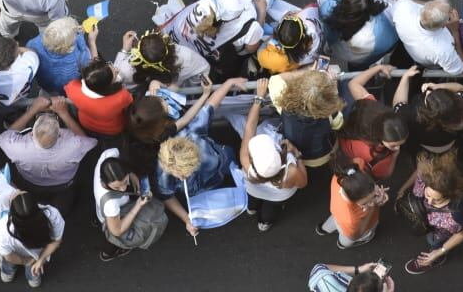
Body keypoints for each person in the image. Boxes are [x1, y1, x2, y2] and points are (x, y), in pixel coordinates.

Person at [153, 79, 246, 238]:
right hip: (203, 192)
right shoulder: (162, 174)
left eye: (187, 171)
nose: (183, 177)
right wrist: (186, 219)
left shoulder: (192, 133)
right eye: (180, 174)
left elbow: (210, 105)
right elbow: (167, 196)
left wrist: (229, 83)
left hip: (224, 159)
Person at [0, 95, 97, 215]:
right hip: (64, 186)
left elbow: (4, 137)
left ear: (31, 133)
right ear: (60, 134)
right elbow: (90, 142)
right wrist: (64, 113)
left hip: (29, 182)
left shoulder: (18, 147)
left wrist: (32, 110)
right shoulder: (74, 146)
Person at [240, 78, 308, 231]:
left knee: (253, 199)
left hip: (254, 188)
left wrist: (259, 98)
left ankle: (251, 209)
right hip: (279, 196)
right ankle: (264, 223)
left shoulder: (246, 163)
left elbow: (249, 128)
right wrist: (296, 154)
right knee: (271, 209)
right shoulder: (290, 172)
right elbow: (303, 183)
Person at [396, 151, 463, 274]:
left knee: (433, 242)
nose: (429, 202)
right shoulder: (426, 179)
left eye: (437, 200)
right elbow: (418, 172)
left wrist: (440, 251)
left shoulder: (456, 213)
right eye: (427, 194)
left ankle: (436, 259)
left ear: (449, 195)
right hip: (426, 220)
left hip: (441, 232)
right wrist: (402, 190)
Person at [93, 149, 169, 261]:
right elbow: (117, 231)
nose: (123, 188)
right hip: (113, 216)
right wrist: (138, 205)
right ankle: (111, 251)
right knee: (116, 236)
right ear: (104, 183)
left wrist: (132, 176)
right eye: (117, 187)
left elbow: (117, 152)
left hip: (103, 210)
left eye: (125, 182)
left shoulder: (108, 155)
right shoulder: (111, 204)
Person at [336, 64, 409, 180]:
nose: (397, 147)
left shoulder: (370, 110)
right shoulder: (380, 156)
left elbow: (353, 84)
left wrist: (378, 68)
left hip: (342, 139)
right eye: (393, 145)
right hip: (348, 155)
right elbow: (385, 174)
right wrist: (395, 156)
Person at [269, 69, 344, 166]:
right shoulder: (331, 113)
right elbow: (338, 126)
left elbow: (275, 79)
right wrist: (334, 87)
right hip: (324, 154)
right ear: (327, 97)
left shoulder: (284, 104)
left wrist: (308, 72)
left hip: (298, 155)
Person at [391, 67, 463, 155]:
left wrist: (405, 77)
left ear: (428, 112)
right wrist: (437, 86)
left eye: (428, 97)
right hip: (449, 143)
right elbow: (461, 89)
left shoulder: (411, 116)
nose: (428, 91)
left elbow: (397, 105)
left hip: (423, 146)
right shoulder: (461, 110)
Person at [0, 193, 65, 287]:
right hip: (38, 254)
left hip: (15, 254)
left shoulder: (3, 229)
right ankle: (34, 281)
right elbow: (56, 241)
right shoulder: (52, 214)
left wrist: (25, 261)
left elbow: (9, 257)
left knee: (8, 263)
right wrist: (40, 260)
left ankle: (7, 275)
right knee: (34, 269)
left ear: (12, 214)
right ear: (37, 206)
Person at [316, 161, 389, 249]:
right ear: (353, 201)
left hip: (336, 213)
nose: (372, 202)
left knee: (334, 220)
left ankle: (323, 229)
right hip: (350, 230)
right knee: (347, 240)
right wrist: (372, 208)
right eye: (365, 203)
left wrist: (376, 191)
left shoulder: (342, 177)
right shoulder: (352, 218)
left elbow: (359, 160)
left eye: (374, 195)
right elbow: (356, 235)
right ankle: (342, 244)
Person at [386, 0, 463, 75]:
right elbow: (459, 69)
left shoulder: (403, 7)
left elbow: (411, 2)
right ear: (444, 25)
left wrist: (432, 9)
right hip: (432, 65)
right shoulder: (444, 51)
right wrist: (455, 31)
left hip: (410, 51)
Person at [114, 29, 211, 87]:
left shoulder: (185, 59)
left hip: (183, 83)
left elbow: (113, 78)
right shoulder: (184, 55)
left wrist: (124, 50)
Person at [64, 57, 134, 137]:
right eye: (115, 74)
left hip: (86, 123)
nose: (117, 69)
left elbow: (68, 89)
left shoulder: (73, 88)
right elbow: (129, 103)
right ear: (108, 85)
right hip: (111, 128)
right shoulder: (122, 96)